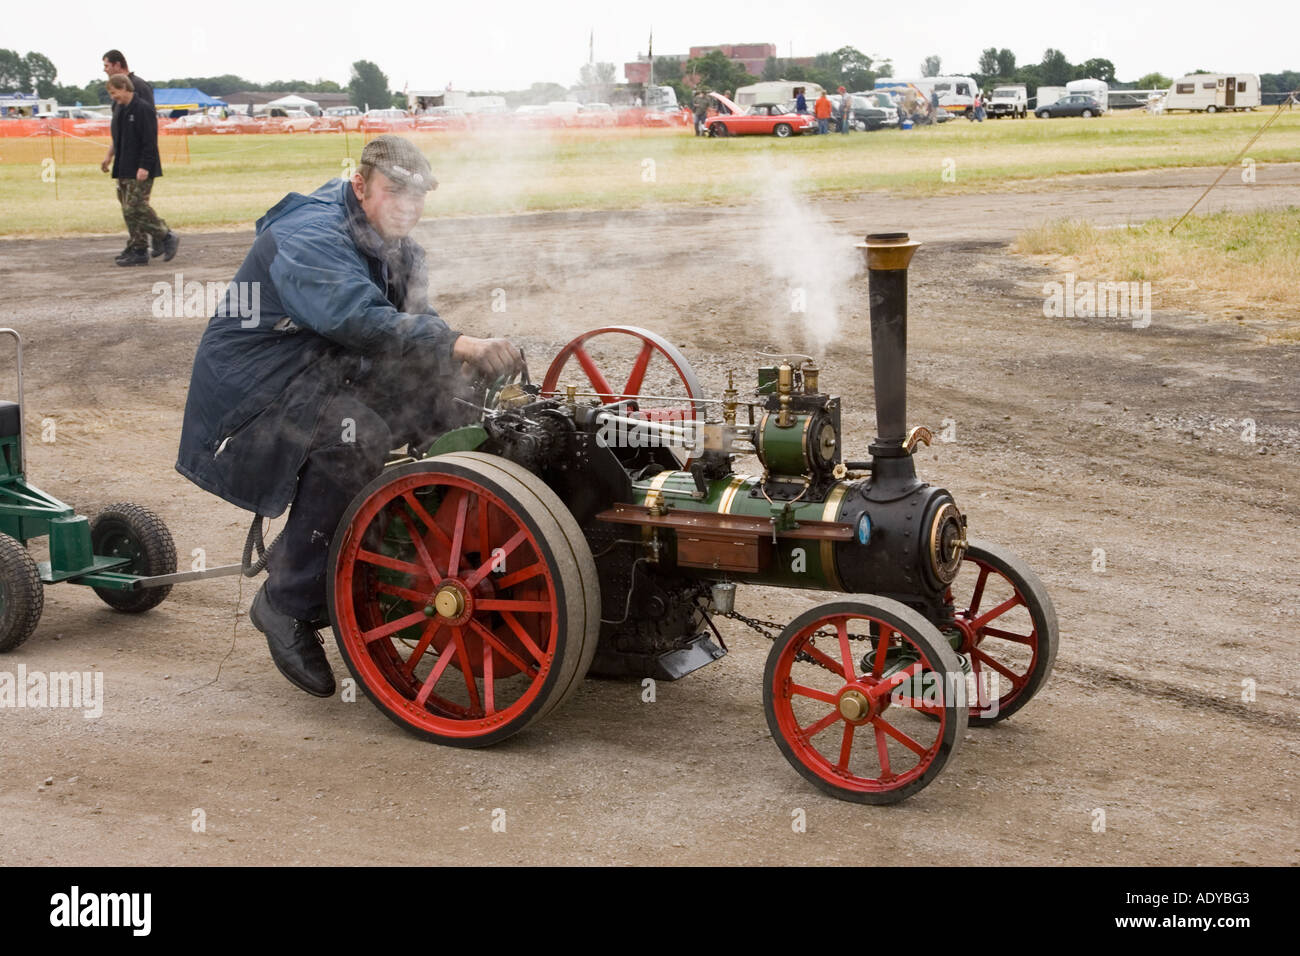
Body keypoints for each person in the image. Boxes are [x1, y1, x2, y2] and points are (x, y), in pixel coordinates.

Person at [176, 135, 522, 698]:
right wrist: (460, 342)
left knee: (453, 400)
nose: (407, 207)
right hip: (259, 389)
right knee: (356, 437)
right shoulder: (307, 235)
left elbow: (415, 328)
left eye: (418, 197)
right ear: (360, 186)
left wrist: (465, 365)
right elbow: (356, 318)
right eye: (395, 193)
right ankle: (285, 601)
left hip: (324, 368)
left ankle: (428, 547)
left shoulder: (401, 247)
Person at [102, 75, 177, 266]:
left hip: (141, 167)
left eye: (114, 93)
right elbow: (117, 138)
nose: (113, 97)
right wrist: (108, 157)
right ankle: (138, 248)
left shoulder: (143, 109)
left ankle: (165, 235)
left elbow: (150, 141)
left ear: (124, 88)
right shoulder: (120, 109)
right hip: (124, 166)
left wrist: (144, 166)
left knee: (135, 206)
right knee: (128, 211)